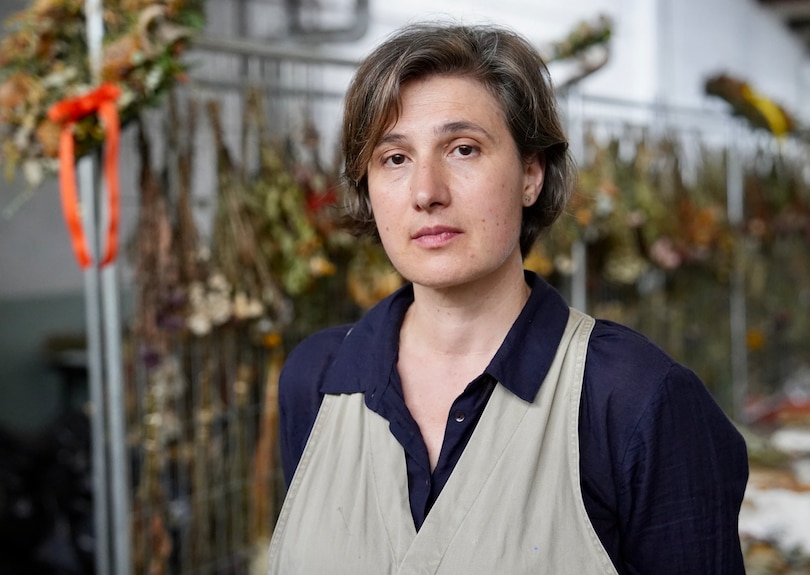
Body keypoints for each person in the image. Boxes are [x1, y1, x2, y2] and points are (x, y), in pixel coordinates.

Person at [270, 21, 749, 574]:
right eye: (394, 158)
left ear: (530, 173)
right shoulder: (318, 381)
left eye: (464, 149)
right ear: (368, 189)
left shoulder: (632, 399)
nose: (427, 192)